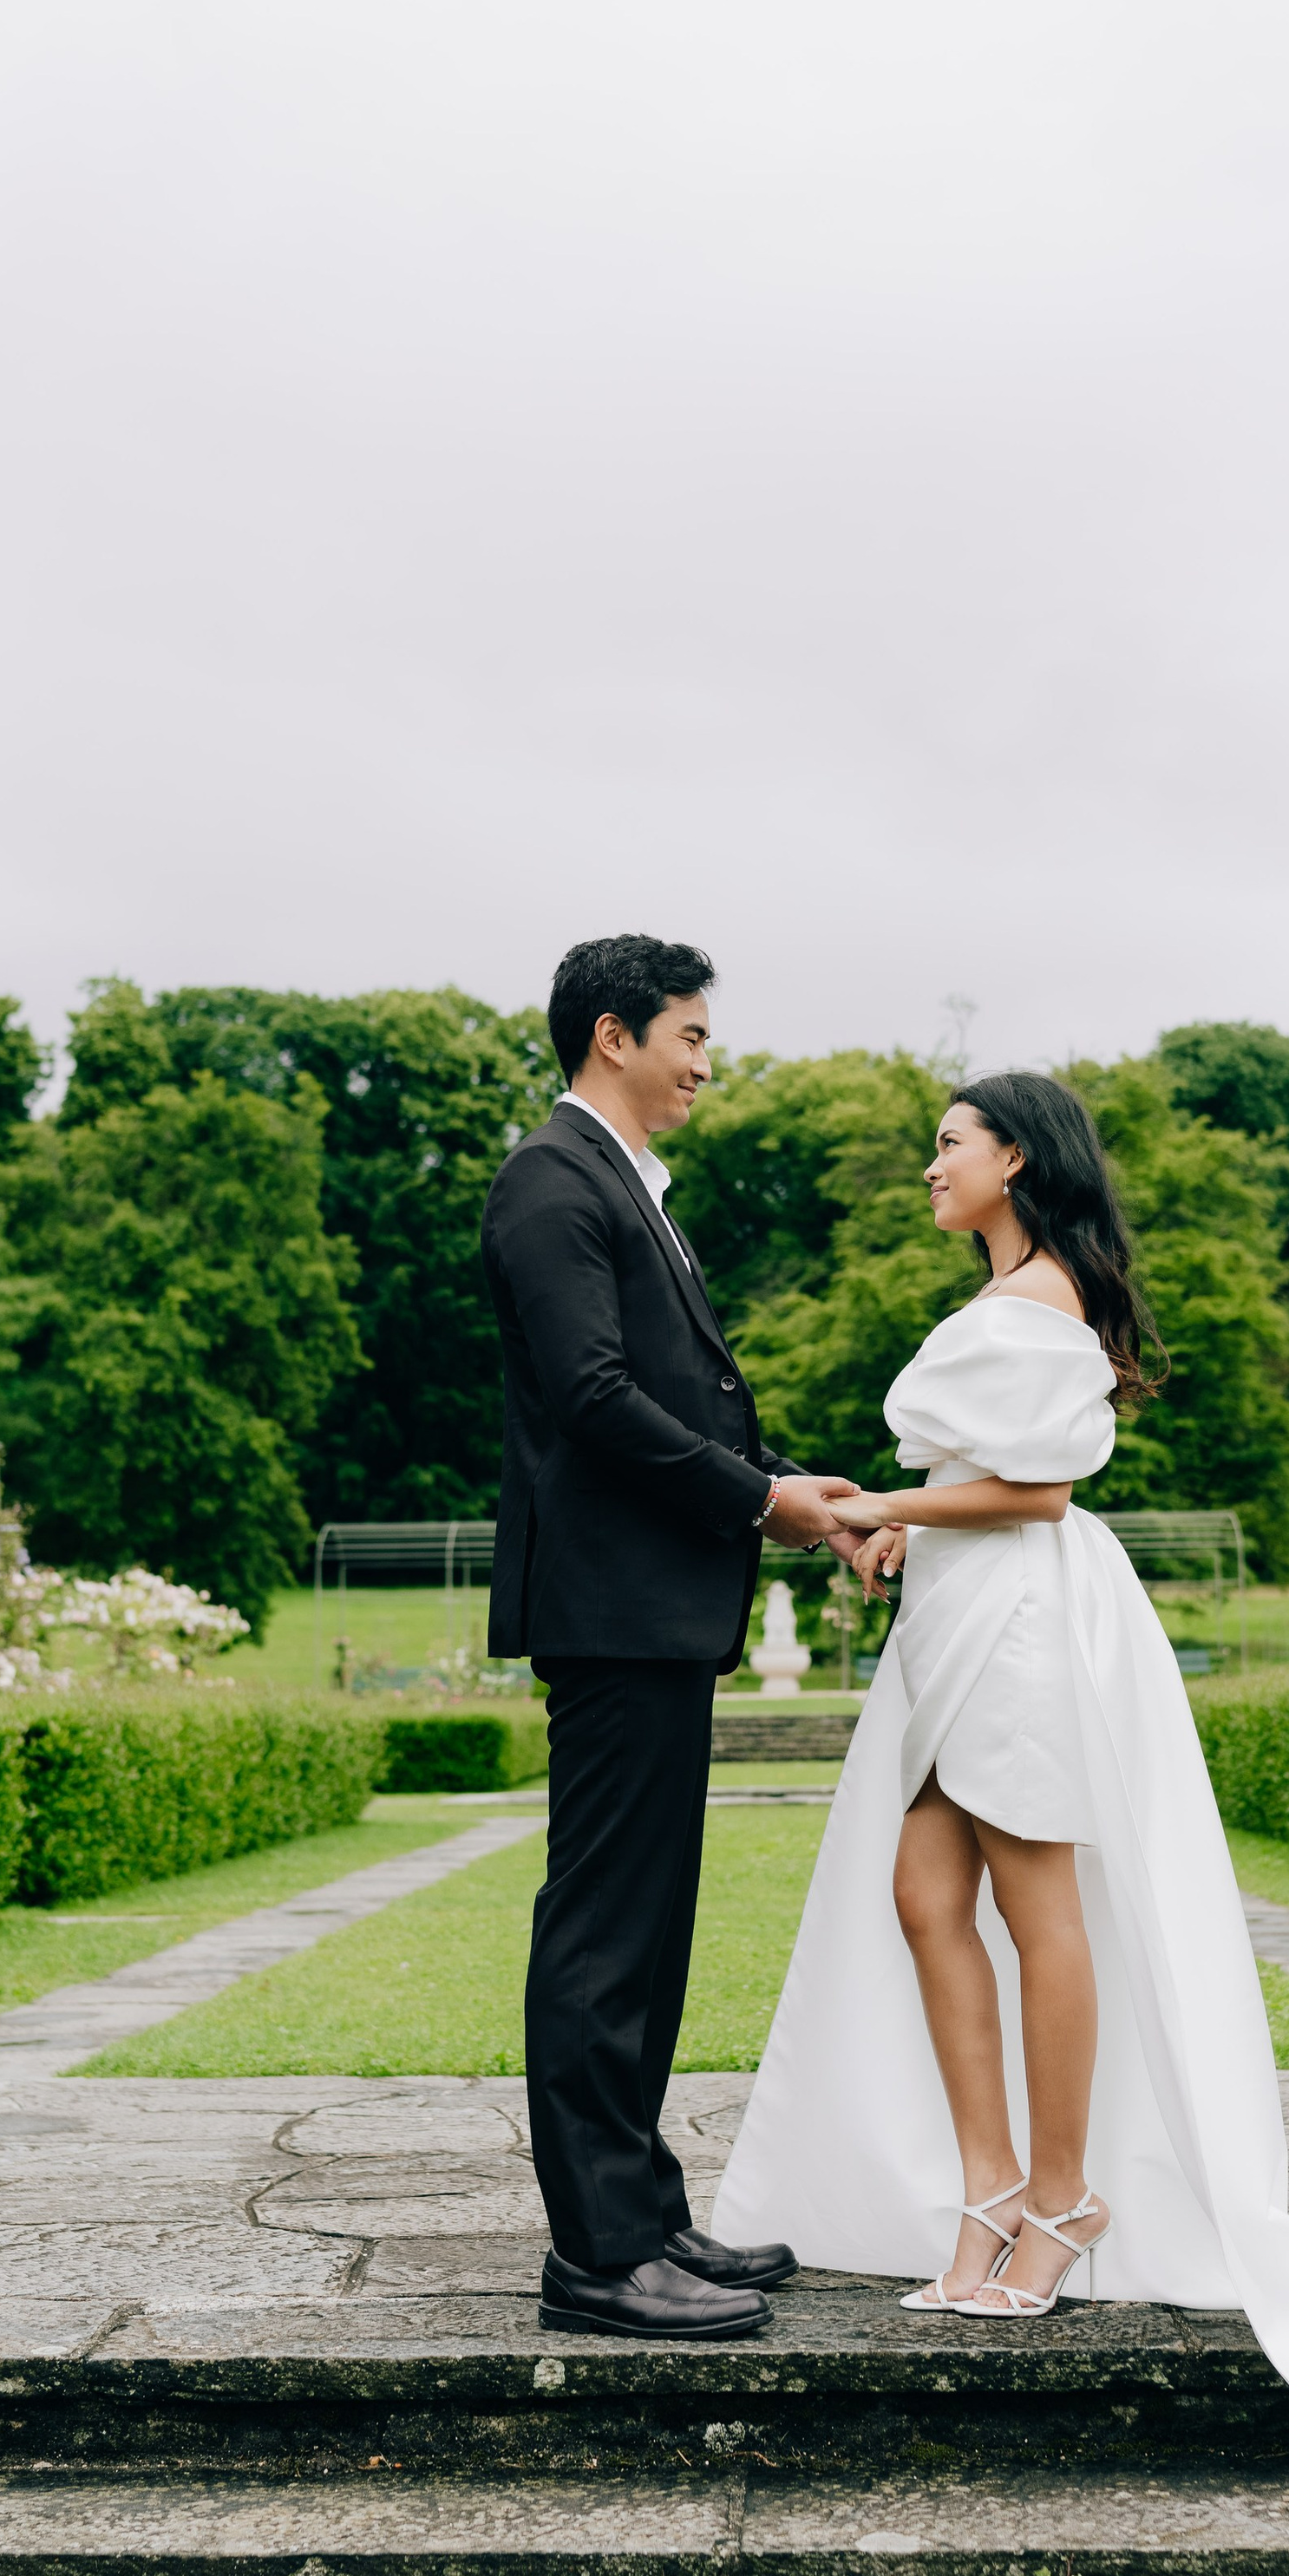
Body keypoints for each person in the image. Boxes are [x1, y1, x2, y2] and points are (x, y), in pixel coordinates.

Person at [713, 1070, 1289, 2468]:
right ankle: (988, 2181)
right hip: (957, 1607)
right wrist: (893, 1535)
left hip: (1022, 1618)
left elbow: (1041, 1489)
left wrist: (877, 1500)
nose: (928, 1167)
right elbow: (978, 1475)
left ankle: (1059, 2196)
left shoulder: (1044, 1294)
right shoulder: (1013, 1296)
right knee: (926, 1896)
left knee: (1033, 1904)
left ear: (1015, 1158)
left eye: (948, 1146)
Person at [481, 933, 860, 2342]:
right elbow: (592, 1392)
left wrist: (790, 1485)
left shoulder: (628, 1187)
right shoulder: (550, 1179)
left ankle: (642, 2212)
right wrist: (763, 1502)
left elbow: (687, 1399)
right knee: (599, 1930)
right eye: (690, 1034)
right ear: (610, 1037)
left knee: (646, 1929)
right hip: (610, 1608)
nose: (707, 1061)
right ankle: (594, 2254)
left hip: (657, 1606)